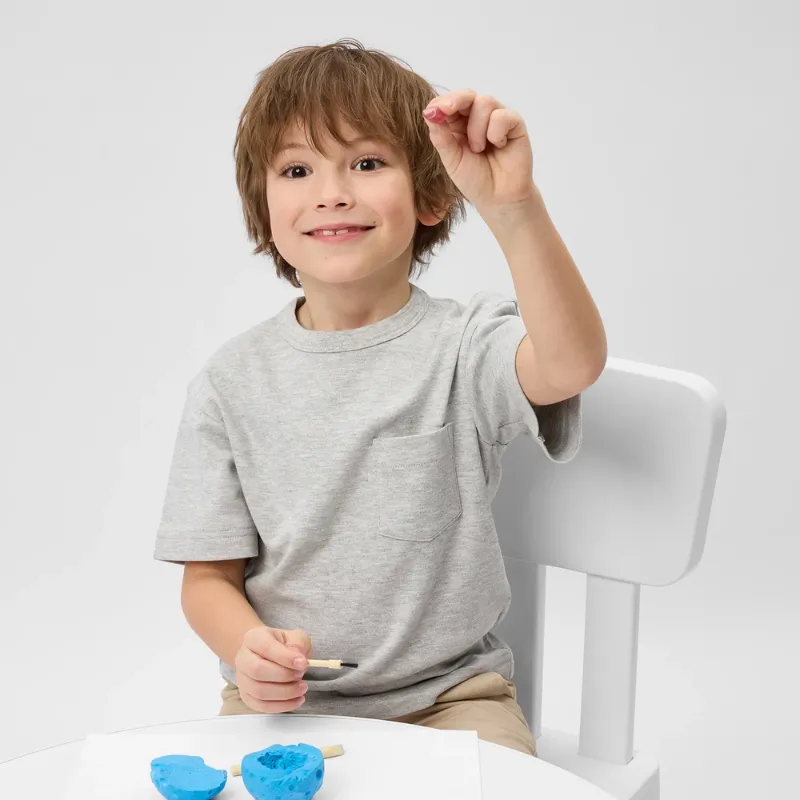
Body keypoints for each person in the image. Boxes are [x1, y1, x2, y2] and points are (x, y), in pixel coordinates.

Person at [153, 38, 607, 757]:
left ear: (432, 195)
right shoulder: (229, 382)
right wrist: (248, 650)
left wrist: (514, 208)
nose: (332, 192)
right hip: (284, 707)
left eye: (366, 163)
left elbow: (570, 363)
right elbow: (208, 580)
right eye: (297, 170)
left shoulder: (466, 346)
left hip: (450, 699)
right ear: (263, 208)